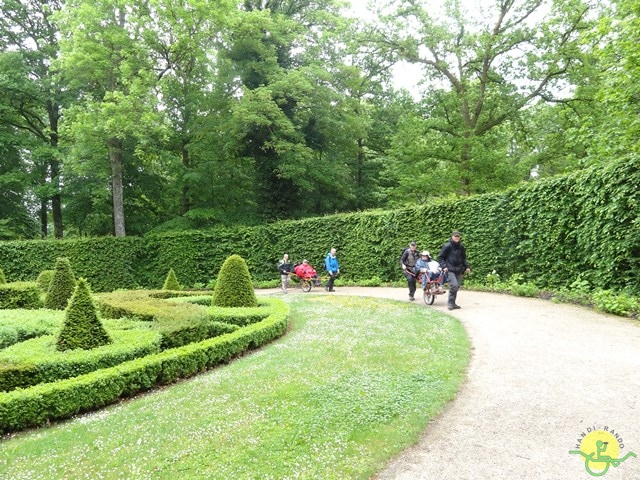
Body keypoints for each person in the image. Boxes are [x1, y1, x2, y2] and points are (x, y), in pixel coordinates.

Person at [438, 231, 471, 310]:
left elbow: (463, 258)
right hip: (450, 269)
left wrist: (467, 267)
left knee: (457, 286)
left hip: (459, 270)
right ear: (452, 236)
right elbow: (440, 257)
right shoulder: (447, 246)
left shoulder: (461, 247)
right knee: (454, 285)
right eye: (455, 236)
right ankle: (450, 303)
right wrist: (444, 266)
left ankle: (453, 303)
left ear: (459, 237)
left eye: (458, 236)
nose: (457, 238)